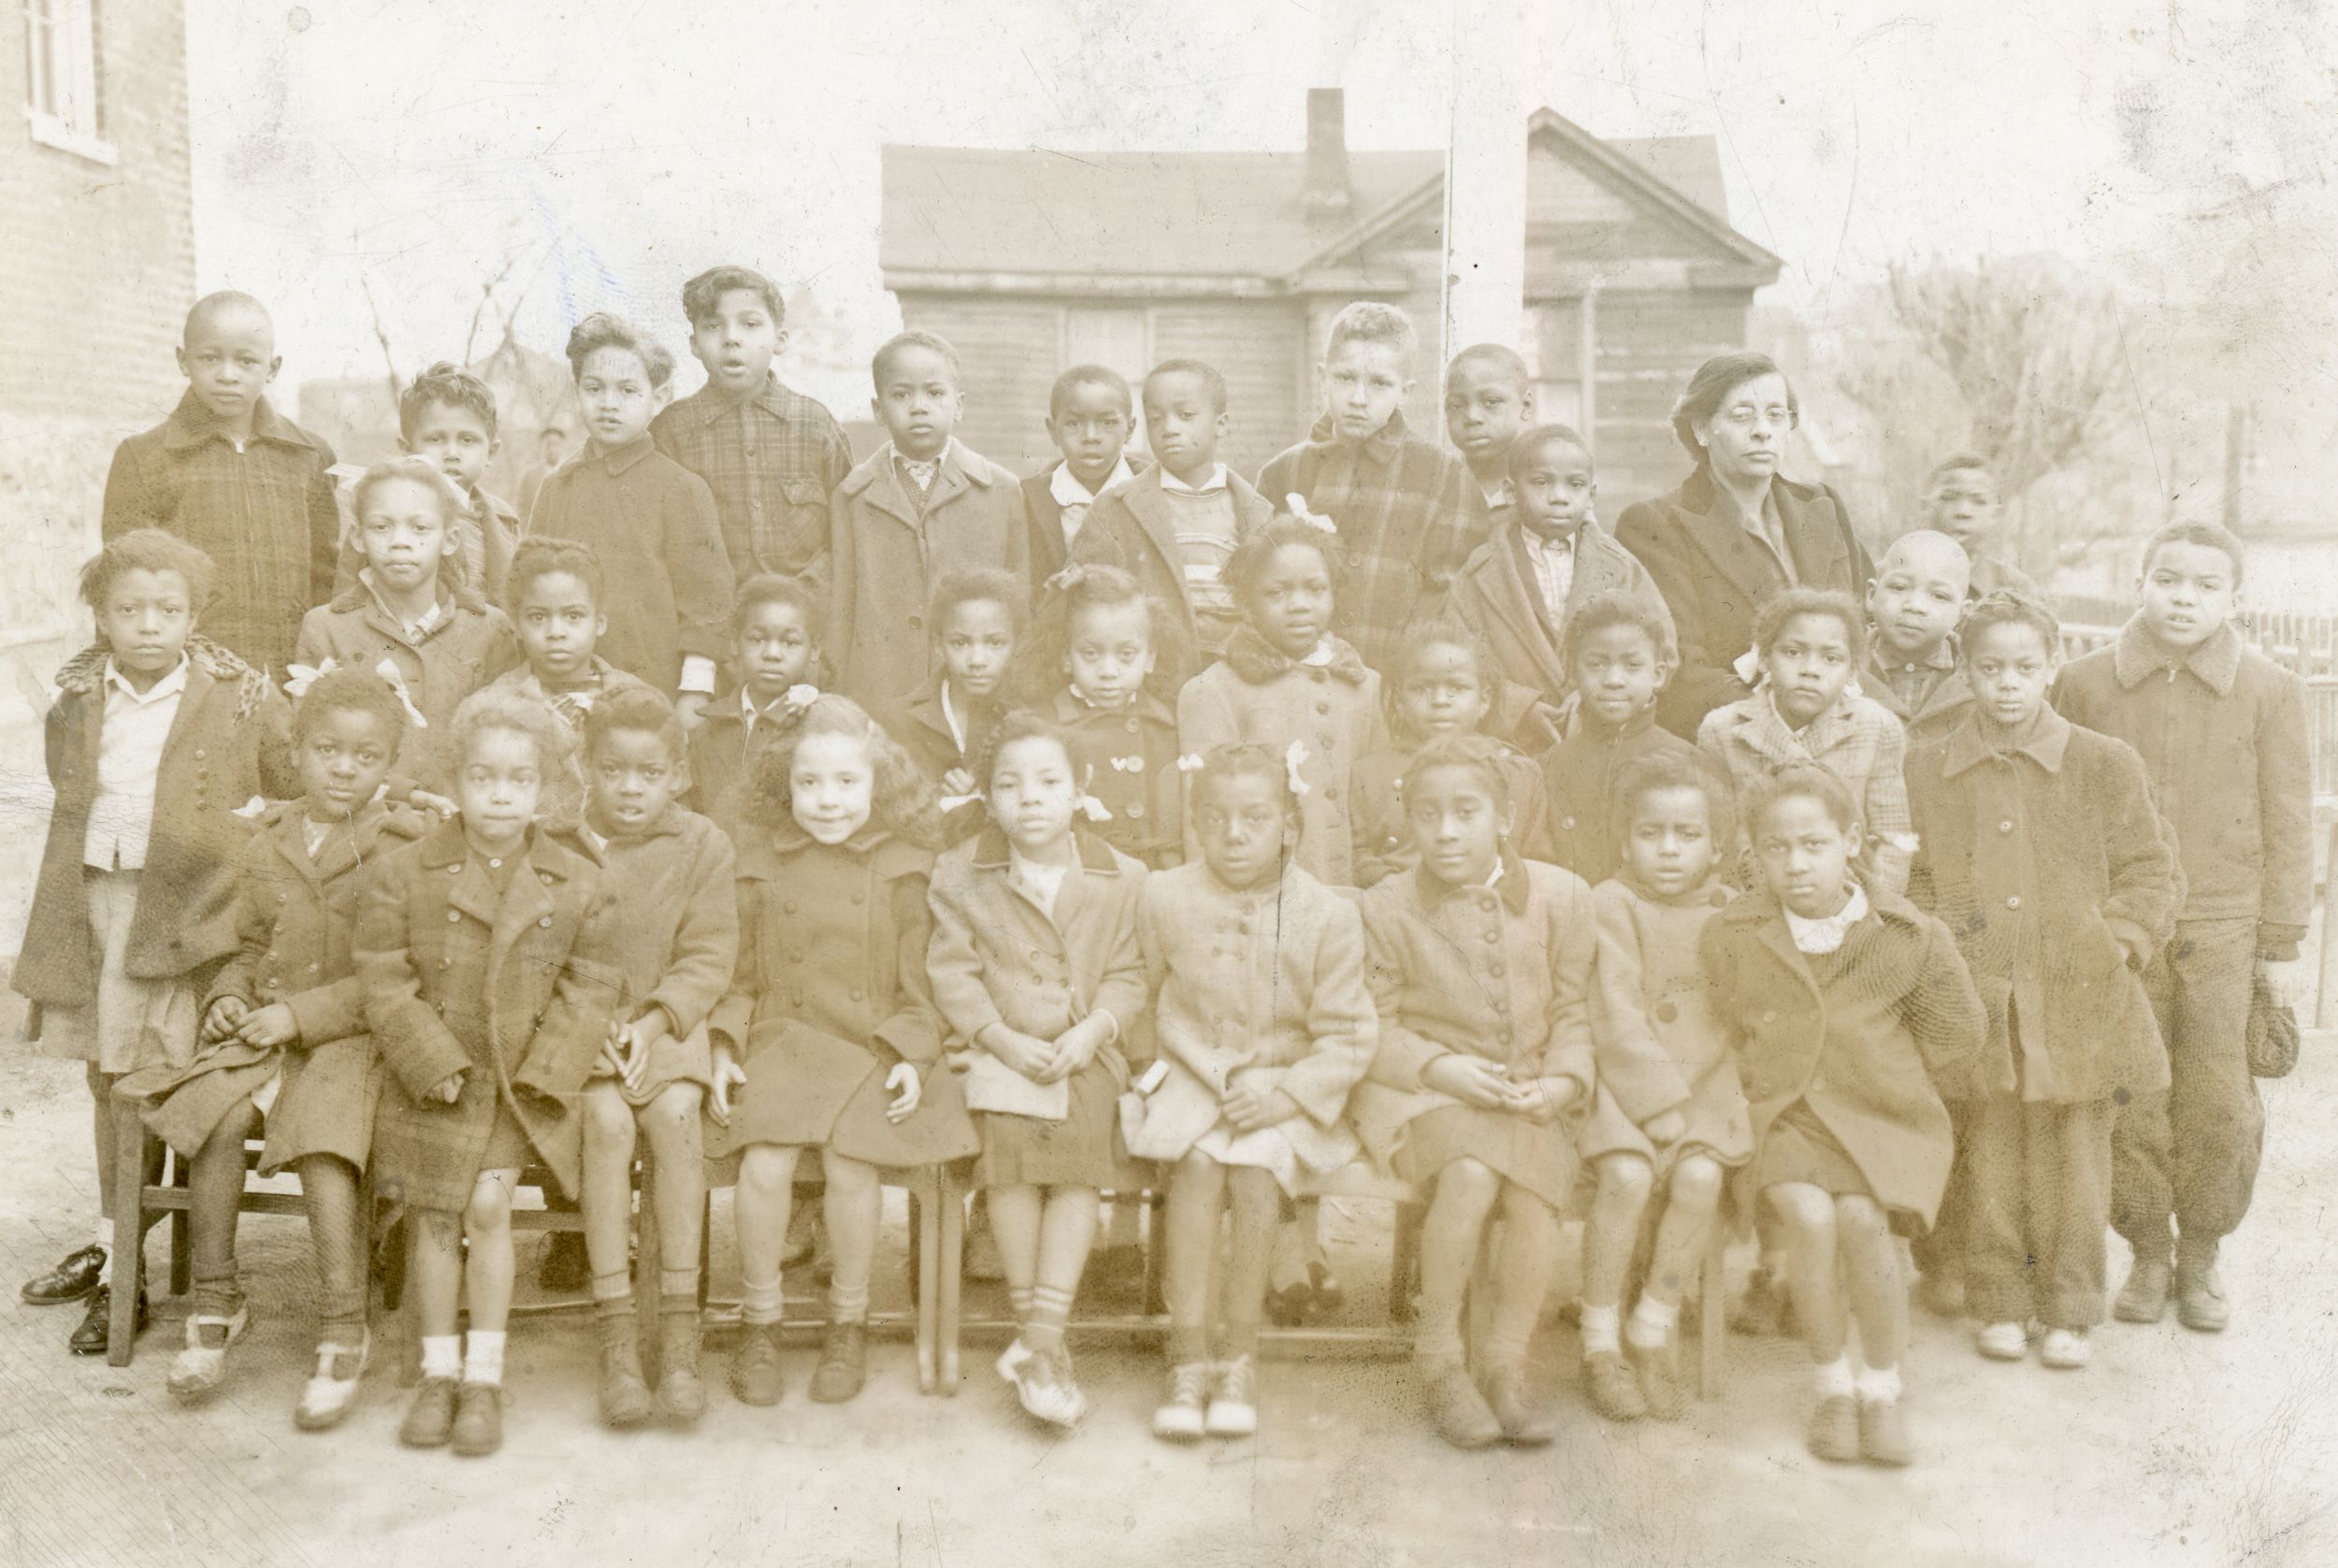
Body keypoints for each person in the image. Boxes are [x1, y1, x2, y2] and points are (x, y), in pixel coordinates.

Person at [14, 530, 291, 1359]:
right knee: (109, 1086)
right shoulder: (77, 697)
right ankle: (116, 1251)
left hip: (187, 919)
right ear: (99, 616)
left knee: (170, 1083)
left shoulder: (236, 696)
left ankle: (176, 1268)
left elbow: (280, 786)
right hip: (100, 905)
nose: (147, 626)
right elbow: (70, 791)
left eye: (168, 610)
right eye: (127, 609)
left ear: (195, 615)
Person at [121, 669, 420, 1421]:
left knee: (324, 1146)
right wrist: (229, 995)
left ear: (390, 765)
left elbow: (398, 975)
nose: (343, 768)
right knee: (215, 1121)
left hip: (354, 1038)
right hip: (264, 1030)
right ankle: (219, 1301)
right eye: (327, 750)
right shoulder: (270, 839)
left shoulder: (398, 847)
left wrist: (300, 1017)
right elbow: (250, 945)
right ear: (298, 752)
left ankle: (342, 1324)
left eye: (365, 756)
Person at [1906, 592, 2180, 1371]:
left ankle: (2069, 1306)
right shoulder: (1931, 764)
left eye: (2026, 667)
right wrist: (1941, 962)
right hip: (1983, 998)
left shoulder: (2104, 761)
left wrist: (2120, 942)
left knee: (2078, 1159)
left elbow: (2151, 869)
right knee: (1992, 1151)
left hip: (2081, 996)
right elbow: (1922, 878)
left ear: (2053, 666)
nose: (2008, 684)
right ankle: (2000, 1298)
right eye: (1989, 668)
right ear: (1964, 671)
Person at [2053, 521, 2312, 1333]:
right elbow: (2059, 804)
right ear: (2139, 581)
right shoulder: (2085, 683)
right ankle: (2147, 1250)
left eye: (2206, 586)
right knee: (2131, 1090)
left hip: (2224, 925)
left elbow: (2289, 817)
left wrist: (2280, 939)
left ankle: (2200, 1252)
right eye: (2168, 578)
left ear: (2236, 599)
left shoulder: (2270, 690)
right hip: (2121, 926)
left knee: (2219, 1098)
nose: (2184, 598)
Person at [357, 689, 625, 1458]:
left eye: (518, 779)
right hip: (437, 1072)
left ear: (544, 789)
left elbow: (591, 985)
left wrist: (551, 1070)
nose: (500, 795)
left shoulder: (578, 878)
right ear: (456, 778)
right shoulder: (407, 869)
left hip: (517, 1083)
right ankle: (438, 1374)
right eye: (482, 777)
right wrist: (428, 1056)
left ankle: (484, 1378)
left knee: (484, 1210)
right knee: (435, 1216)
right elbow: (383, 977)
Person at [707, 696, 979, 1406]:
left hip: (871, 1048)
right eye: (809, 784)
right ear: (783, 785)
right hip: (780, 1040)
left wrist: (908, 1057)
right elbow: (735, 975)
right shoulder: (757, 863)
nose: (828, 802)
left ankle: (847, 1319)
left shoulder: (905, 869)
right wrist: (723, 1042)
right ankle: (759, 1318)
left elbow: (922, 991)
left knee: (850, 1164)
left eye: (847, 784)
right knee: (764, 1164)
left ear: (877, 785)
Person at [1351, 738, 1595, 1449]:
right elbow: (1373, 1024)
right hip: (1421, 1093)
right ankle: (1439, 1361)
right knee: (1470, 1171)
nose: (1447, 831)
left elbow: (1577, 1011)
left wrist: (1563, 1080)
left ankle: (1505, 1364)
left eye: (1466, 811)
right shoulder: (1388, 905)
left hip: (1530, 1088)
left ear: (1504, 815)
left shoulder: (1562, 895)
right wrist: (1440, 1069)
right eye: (1428, 814)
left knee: (1531, 1191)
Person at [1127, 743, 1375, 1441]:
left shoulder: (1326, 914)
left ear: (1289, 823)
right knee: (1200, 1165)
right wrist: (1153, 1077)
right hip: (1187, 1078)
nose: (1234, 835)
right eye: (1217, 818)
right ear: (1196, 822)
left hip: (1284, 1088)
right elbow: (1142, 998)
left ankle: (1238, 1352)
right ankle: (1187, 1352)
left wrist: (1289, 1095)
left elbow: (1349, 1033)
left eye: (1255, 818)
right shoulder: (1165, 894)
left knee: (1257, 1169)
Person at [926, 713, 1150, 1426]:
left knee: (1082, 1151)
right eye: (1010, 785)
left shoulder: (1121, 875)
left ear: (1080, 790)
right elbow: (952, 971)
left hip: (1084, 1048)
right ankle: (1041, 1341)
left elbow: (1129, 973)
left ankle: (1039, 1340)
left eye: (1050, 781)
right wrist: (997, 1036)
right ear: (988, 799)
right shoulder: (962, 872)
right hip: (1000, 1048)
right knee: (1013, 1146)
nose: (1031, 798)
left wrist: (1094, 1030)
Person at [573, 688, 739, 1428]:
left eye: (649, 771)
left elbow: (710, 953)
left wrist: (656, 1018)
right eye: (613, 769)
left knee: (675, 1113)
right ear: (587, 769)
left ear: (678, 774)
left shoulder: (703, 842)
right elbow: (546, 951)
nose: (631, 787)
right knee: (605, 1121)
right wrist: (598, 1025)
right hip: (582, 1027)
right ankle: (614, 1330)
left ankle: (679, 1331)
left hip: (673, 1020)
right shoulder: (561, 837)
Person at [1576, 754, 1749, 1424]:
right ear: (1625, 840)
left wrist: (1693, 1100)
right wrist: (1658, 1102)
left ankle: (1653, 1321)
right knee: (1624, 1173)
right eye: (1652, 834)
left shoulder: (1732, 912)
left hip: (1707, 1082)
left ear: (1716, 845)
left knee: (1701, 1178)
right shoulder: (1609, 904)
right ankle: (1598, 1338)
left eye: (1687, 834)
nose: (1669, 850)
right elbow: (1612, 1011)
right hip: (1623, 1086)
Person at [1613, 352, 1871, 738]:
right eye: (1742, 415)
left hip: (1841, 730)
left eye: (1776, 415)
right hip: (1734, 736)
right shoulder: (1656, 526)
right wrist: (1778, 721)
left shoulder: (1822, 507)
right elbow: (1678, 671)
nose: (1762, 430)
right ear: (1701, 429)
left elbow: (1864, 626)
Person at [99, 291, 339, 677]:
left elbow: (329, 579)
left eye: (246, 360)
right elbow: (119, 587)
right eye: (210, 358)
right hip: (188, 677)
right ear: (183, 360)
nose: (228, 374)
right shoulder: (143, 456)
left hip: (293, 675)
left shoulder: (310, 455)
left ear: (273, 367)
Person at [1257, 302, 1490, 675]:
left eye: (1380, 383)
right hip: (1297, 684)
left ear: (1406, 391)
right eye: (1345, 378)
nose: (1359, 399)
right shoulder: (1282, 474)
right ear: (1323, 377)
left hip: (1398, 697)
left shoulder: (1447, 480)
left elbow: (1459, 611)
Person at [527, 311, 734, 712]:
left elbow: (707, 607)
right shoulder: (557, 487)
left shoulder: (681, 490)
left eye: (627, 391)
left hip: (653, 696)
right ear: (577, 393)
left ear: (658, 398)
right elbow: (529, 593)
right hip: (562, 695)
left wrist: (693, 697)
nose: (608, 404)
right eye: (594, 388)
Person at [1176, 515, 1388, 889]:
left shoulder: (1366, 687)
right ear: (1246, 603)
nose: (1300, 605)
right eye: (1277, 593)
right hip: (1263, 905)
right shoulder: (1212, 692)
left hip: (1358, 902)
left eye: (1316, 589)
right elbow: (1203, 826)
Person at [295, 455, 520, 805]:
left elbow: (508, 743)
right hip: (365, 825)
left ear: (450, 539)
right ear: (357, 536)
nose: (400, 542)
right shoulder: (326, 627)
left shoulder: (489, 628)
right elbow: (313, 751)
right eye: (382, 527)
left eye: (420, 528)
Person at [829, 330, 1030, 708]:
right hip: (880, 692)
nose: (918, 407)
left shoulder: (1001, 491)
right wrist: (837, 694)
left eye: (935, 394)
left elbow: (1020, 602)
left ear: (959, 405)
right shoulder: (851, 495)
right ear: (878, 410)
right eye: (901, 395)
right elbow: (841, 606)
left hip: (975, 690)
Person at [1698, 587, 1914, 896]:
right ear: (1763, 658)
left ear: (1852, 670)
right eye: (1792, 652)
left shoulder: (1876, 727)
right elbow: (1722, 840)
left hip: (1854, 905)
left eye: (1831, 658)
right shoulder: (1723, 730)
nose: (1810, 670)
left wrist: (1877, 915)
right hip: (1758, 904)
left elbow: (1893, 838)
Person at [1439, 423, 1668, 712]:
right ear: (1511, 491)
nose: (1559, 497)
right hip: (1513, 737)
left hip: (1602, 728)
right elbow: (1455, 657)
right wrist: (1519, 707)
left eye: (1575, 485)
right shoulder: (1479, 573)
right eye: (1541, 482)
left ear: (1591, 495)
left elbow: (1664, 650)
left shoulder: (1622, 567)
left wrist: (1594, 693)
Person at [653, 264, 854, 592]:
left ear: (780, 339)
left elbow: (848, 534)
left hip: (803, 622)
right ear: (694, 344)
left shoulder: (815, 425)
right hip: (707, 628)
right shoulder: (670, 432)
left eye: (750, 324)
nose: (731, 338)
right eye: (713, 326)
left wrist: (805, 595)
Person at [1072, 358, 1273, 685]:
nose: (1169, 428)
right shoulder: (1115, 509)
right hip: (1154, 683)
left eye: (1186, 416)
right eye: (1156, 419)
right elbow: (1082, 602)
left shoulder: (1257, 512)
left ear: (1220, 424)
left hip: (1239, 680)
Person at [478, 538, 659, 830]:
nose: (556, 632)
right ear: (516, 625)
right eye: (538, 617)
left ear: (599, 622)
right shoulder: (492, 706)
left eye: (573, 616)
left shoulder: (640, 700)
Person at [1351, 623, 1550, 887]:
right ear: (1399, 701)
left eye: (1456, 687)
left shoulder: (1517, 773)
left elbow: (1536, 863)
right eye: (1422, 689)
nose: (1440, 700)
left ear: (1484, 700)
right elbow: (1358, 855)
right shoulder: (1371, 773)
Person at [1537, 591, 1697, 886]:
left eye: (1632, 665)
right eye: (1596, 664)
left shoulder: (1689, 762)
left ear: (1658, 675)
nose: (1613, 679)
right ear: (1572, 672)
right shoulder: (1548, 767)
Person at [1028, 565, 1183, 869]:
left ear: (1150, 656)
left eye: (1126, 654)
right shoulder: (1049, 725)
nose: (1109, 672)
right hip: (1087, 877)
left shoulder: (1168, 721)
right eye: (1091, 653)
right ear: (1066, 657)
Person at [882, 568, 1024, 844]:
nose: (977, 659)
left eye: (995, 643)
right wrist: (938, 797)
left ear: (1015, 645)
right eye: (961, 643)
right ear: (938, 646)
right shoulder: (898, 719)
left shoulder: (1028, 718)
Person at [686, 573, 823, 832]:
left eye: (790, 642)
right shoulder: (706, 729)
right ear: (734, 644)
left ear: (814, 650)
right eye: (757, 639)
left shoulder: (817, 726)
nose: (772, 654)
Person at [397, 361, 522, 602]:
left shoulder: (505, 520)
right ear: (407, 449)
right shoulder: (385, 512)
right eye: (435, 439)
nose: (452, 453)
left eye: (467, 440)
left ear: (491, 452)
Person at [1023, 365, 1140, 583]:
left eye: (1107, 422)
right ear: (1053, 430)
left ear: (1130, 429)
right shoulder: (1028, 500)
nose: (1090, 436)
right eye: (1073, 423)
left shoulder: (1152, 490)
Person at [1860, 529, 1974, 744]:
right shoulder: (1840, 671)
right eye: (1899, 587)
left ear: (1962, 613)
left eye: (1939, 596)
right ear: (1871, 594)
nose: (1915, 606)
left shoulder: (1977, 681)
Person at [1918, 453, 2038, 599]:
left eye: (1979, 501)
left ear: (1995, 514)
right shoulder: (1892, 577)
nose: (1963, 511)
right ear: (1925, 507)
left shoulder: (2015, 589)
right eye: (1948, 498)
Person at [1441, 344, 1535, 523]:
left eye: (1491, 402)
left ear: (1526, 406)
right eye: (1456, 406)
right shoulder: (1438, 486)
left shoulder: (1548, 484)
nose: (1471, 417)